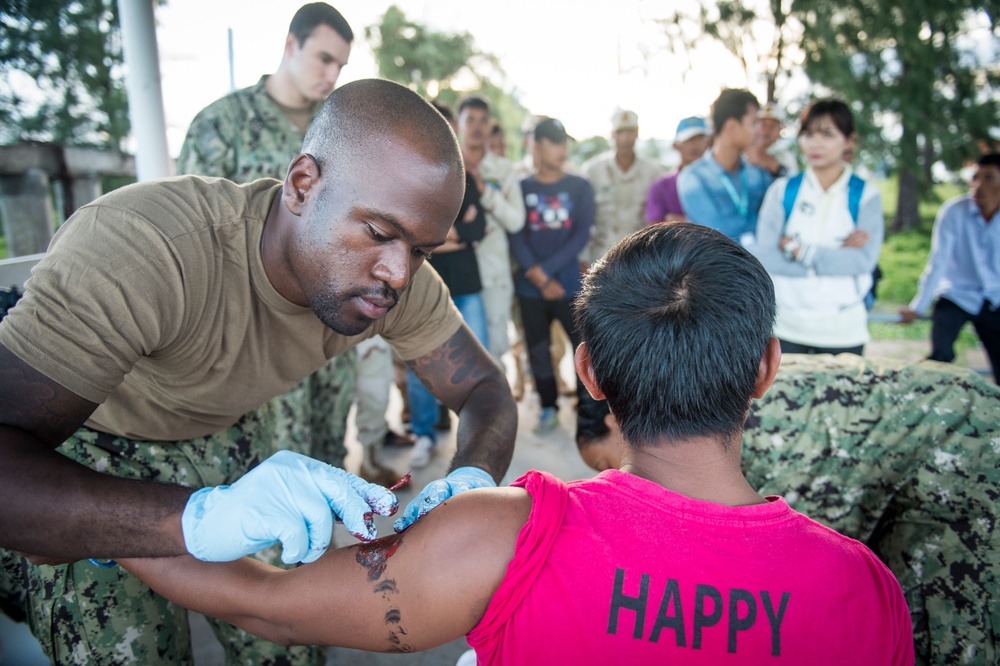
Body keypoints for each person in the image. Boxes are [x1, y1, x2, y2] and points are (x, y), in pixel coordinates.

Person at [116, 222, 914, 664]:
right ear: (767, 368)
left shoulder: (503, 537)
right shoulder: (867, 594)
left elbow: (265, 605)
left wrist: (138, 522)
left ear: (588, 373)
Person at [0, 79, 516, 664]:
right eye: (378, 232)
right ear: (302, 185)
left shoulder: (393, 279)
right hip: (93, 452)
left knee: (290, 635)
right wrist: (195, 519)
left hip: (235, 435)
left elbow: (484, 386)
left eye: (422, 249)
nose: (399, 272)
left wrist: (471, 480)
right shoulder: (144, 247)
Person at [574, 353, 999, 666]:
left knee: (944, 628)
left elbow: (794, 567)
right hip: (921, 438)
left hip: (964, 445)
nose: (616, 478)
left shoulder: (724, 442)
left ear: (615, 420)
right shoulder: (696, 410)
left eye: (605, 464)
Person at [177, 3, 358, 477]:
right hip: (254, 334)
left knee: (329, 454)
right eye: (324, 58)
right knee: (270, 468)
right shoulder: (222, 125)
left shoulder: (342, 131)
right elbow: (194, 237)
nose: (331, 74)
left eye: (340, 65)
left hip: (329, 328)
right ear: (291, 45)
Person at [753, 99, 883, 356]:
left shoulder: (866, 195)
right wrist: (832, 260)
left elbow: (863, 261)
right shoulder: (781, 192)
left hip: (844, 327)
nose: (815, 143)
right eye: (808, 134)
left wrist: (798, 250)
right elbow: (766, 256)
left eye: (827, 134)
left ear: (849, 140)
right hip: (786, 325)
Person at [406, 101, 491, 469]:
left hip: (467, 283)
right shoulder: (406, 176)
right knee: (420, 362)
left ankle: (477, 442)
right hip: (423, 282)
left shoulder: (465, 178)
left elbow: (477, 230)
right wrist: (452, 233)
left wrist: (437, 236)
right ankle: (423, 434)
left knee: (480, 360)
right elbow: (411, 233)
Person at [510, 118, 594, 434]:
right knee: (538, 350)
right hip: (531, 290)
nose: (562, 149)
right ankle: (548, 407)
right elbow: (516, 236)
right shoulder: (522, 188)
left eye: (564, 142)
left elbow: (580, 235)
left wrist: (546, 272)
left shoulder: (580, 186)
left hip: (570, 285)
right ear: (538, 144)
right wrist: (541, 279)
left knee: (582, 347)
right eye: (555, 142)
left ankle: (590, 410)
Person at [900, 152, 1000, 382]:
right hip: (958, 294)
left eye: (989, 178)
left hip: (996, 298)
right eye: (974, 178)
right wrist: (918, 306)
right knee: (940, 355)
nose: (978, 185)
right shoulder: (954, 211)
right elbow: (939, 259)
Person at [457, 96, 526, 368]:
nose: (477, 126)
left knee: (493, 356)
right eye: (470, 119)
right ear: (459, 124)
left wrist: (485, 192)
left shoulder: (503, 170)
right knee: (451, 355)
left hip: (492, 276)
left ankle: (495, 411)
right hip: (453, 273)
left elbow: (516, 221)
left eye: (483, 120)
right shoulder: (447, 164)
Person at [677, 89, 774, 245]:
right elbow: (717, 233)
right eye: (754, 122)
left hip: (760, 265)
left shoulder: (758, 172)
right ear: (732, 126)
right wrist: (761, 231)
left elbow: (778, 219)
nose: (760, 130)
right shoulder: (693, 177)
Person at [581, 109, 665, 268]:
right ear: (612, 134)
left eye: (630, 132)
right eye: (620, 132)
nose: (625, 138)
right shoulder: (593, 170)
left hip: (640, 257)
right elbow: (584, 219)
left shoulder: (653, 171)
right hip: (601, 256)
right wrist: (583, 258)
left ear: (637, 133)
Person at [645, 115, 711, 224]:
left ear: (708, 143)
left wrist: (683, 223)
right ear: (675, 146)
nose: (694, 145)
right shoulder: (660, 187)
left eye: (699, 139)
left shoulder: (721, 182)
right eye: (688, 140)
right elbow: (654, 231)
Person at [745, 101, 799, 179]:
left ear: (780, 129)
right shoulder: (742, 150)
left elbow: (793, 184)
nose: (766, 130)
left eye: (772, 126)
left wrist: (775, 166)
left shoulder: (785, 157)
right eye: (762, 124)